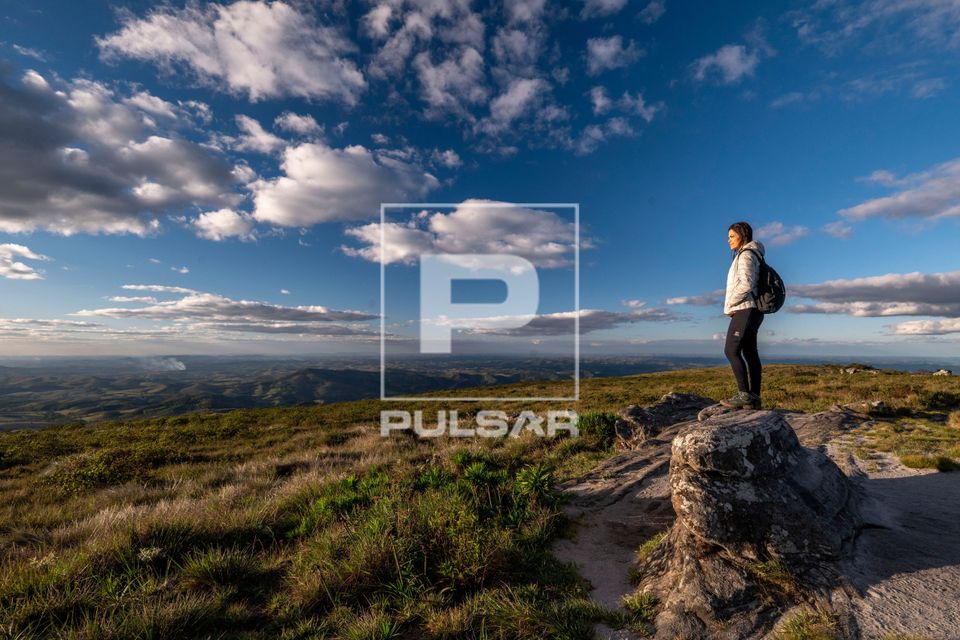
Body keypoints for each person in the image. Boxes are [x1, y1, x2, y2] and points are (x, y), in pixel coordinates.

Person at [720, 221, 764, 409]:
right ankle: (753, 398)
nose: (728, 240)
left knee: (731, 350)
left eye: (731, 236)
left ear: (742, 235)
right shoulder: (752, 254)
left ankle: (744, 394)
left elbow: (746, 284)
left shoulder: (745, 255)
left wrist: (730, 303)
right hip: (753, 310)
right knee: (749, 353)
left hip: (745, 309)